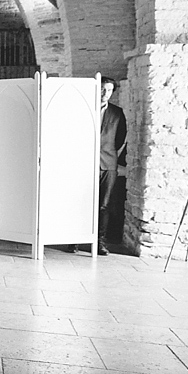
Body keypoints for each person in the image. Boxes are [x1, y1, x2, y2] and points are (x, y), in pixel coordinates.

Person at [66, 76, 126, 255]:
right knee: (79, 203)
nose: (104, 93)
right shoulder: (82, 108)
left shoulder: (117, 113)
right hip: (82, 162)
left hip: (108, 164)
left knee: (104, 205)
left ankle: (99, 243)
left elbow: (120, 138)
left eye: (108, 90)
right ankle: (74, 240)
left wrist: (109, 154)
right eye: (101, 89)